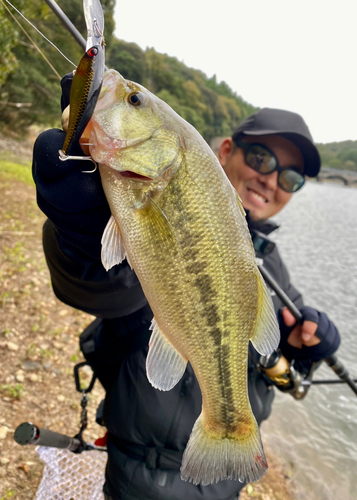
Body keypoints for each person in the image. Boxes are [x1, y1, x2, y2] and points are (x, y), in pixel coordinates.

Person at [32, 73, 340, 500]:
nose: (272, 180)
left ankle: (228, 427)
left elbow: (273, 346)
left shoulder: (272, 265)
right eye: (263, 159)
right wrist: (77, 239)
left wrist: (305, 347)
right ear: (227, 150)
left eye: (291, 178)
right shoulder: (146, 190)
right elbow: (105, 286)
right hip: (135, 469)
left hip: (223, 486)